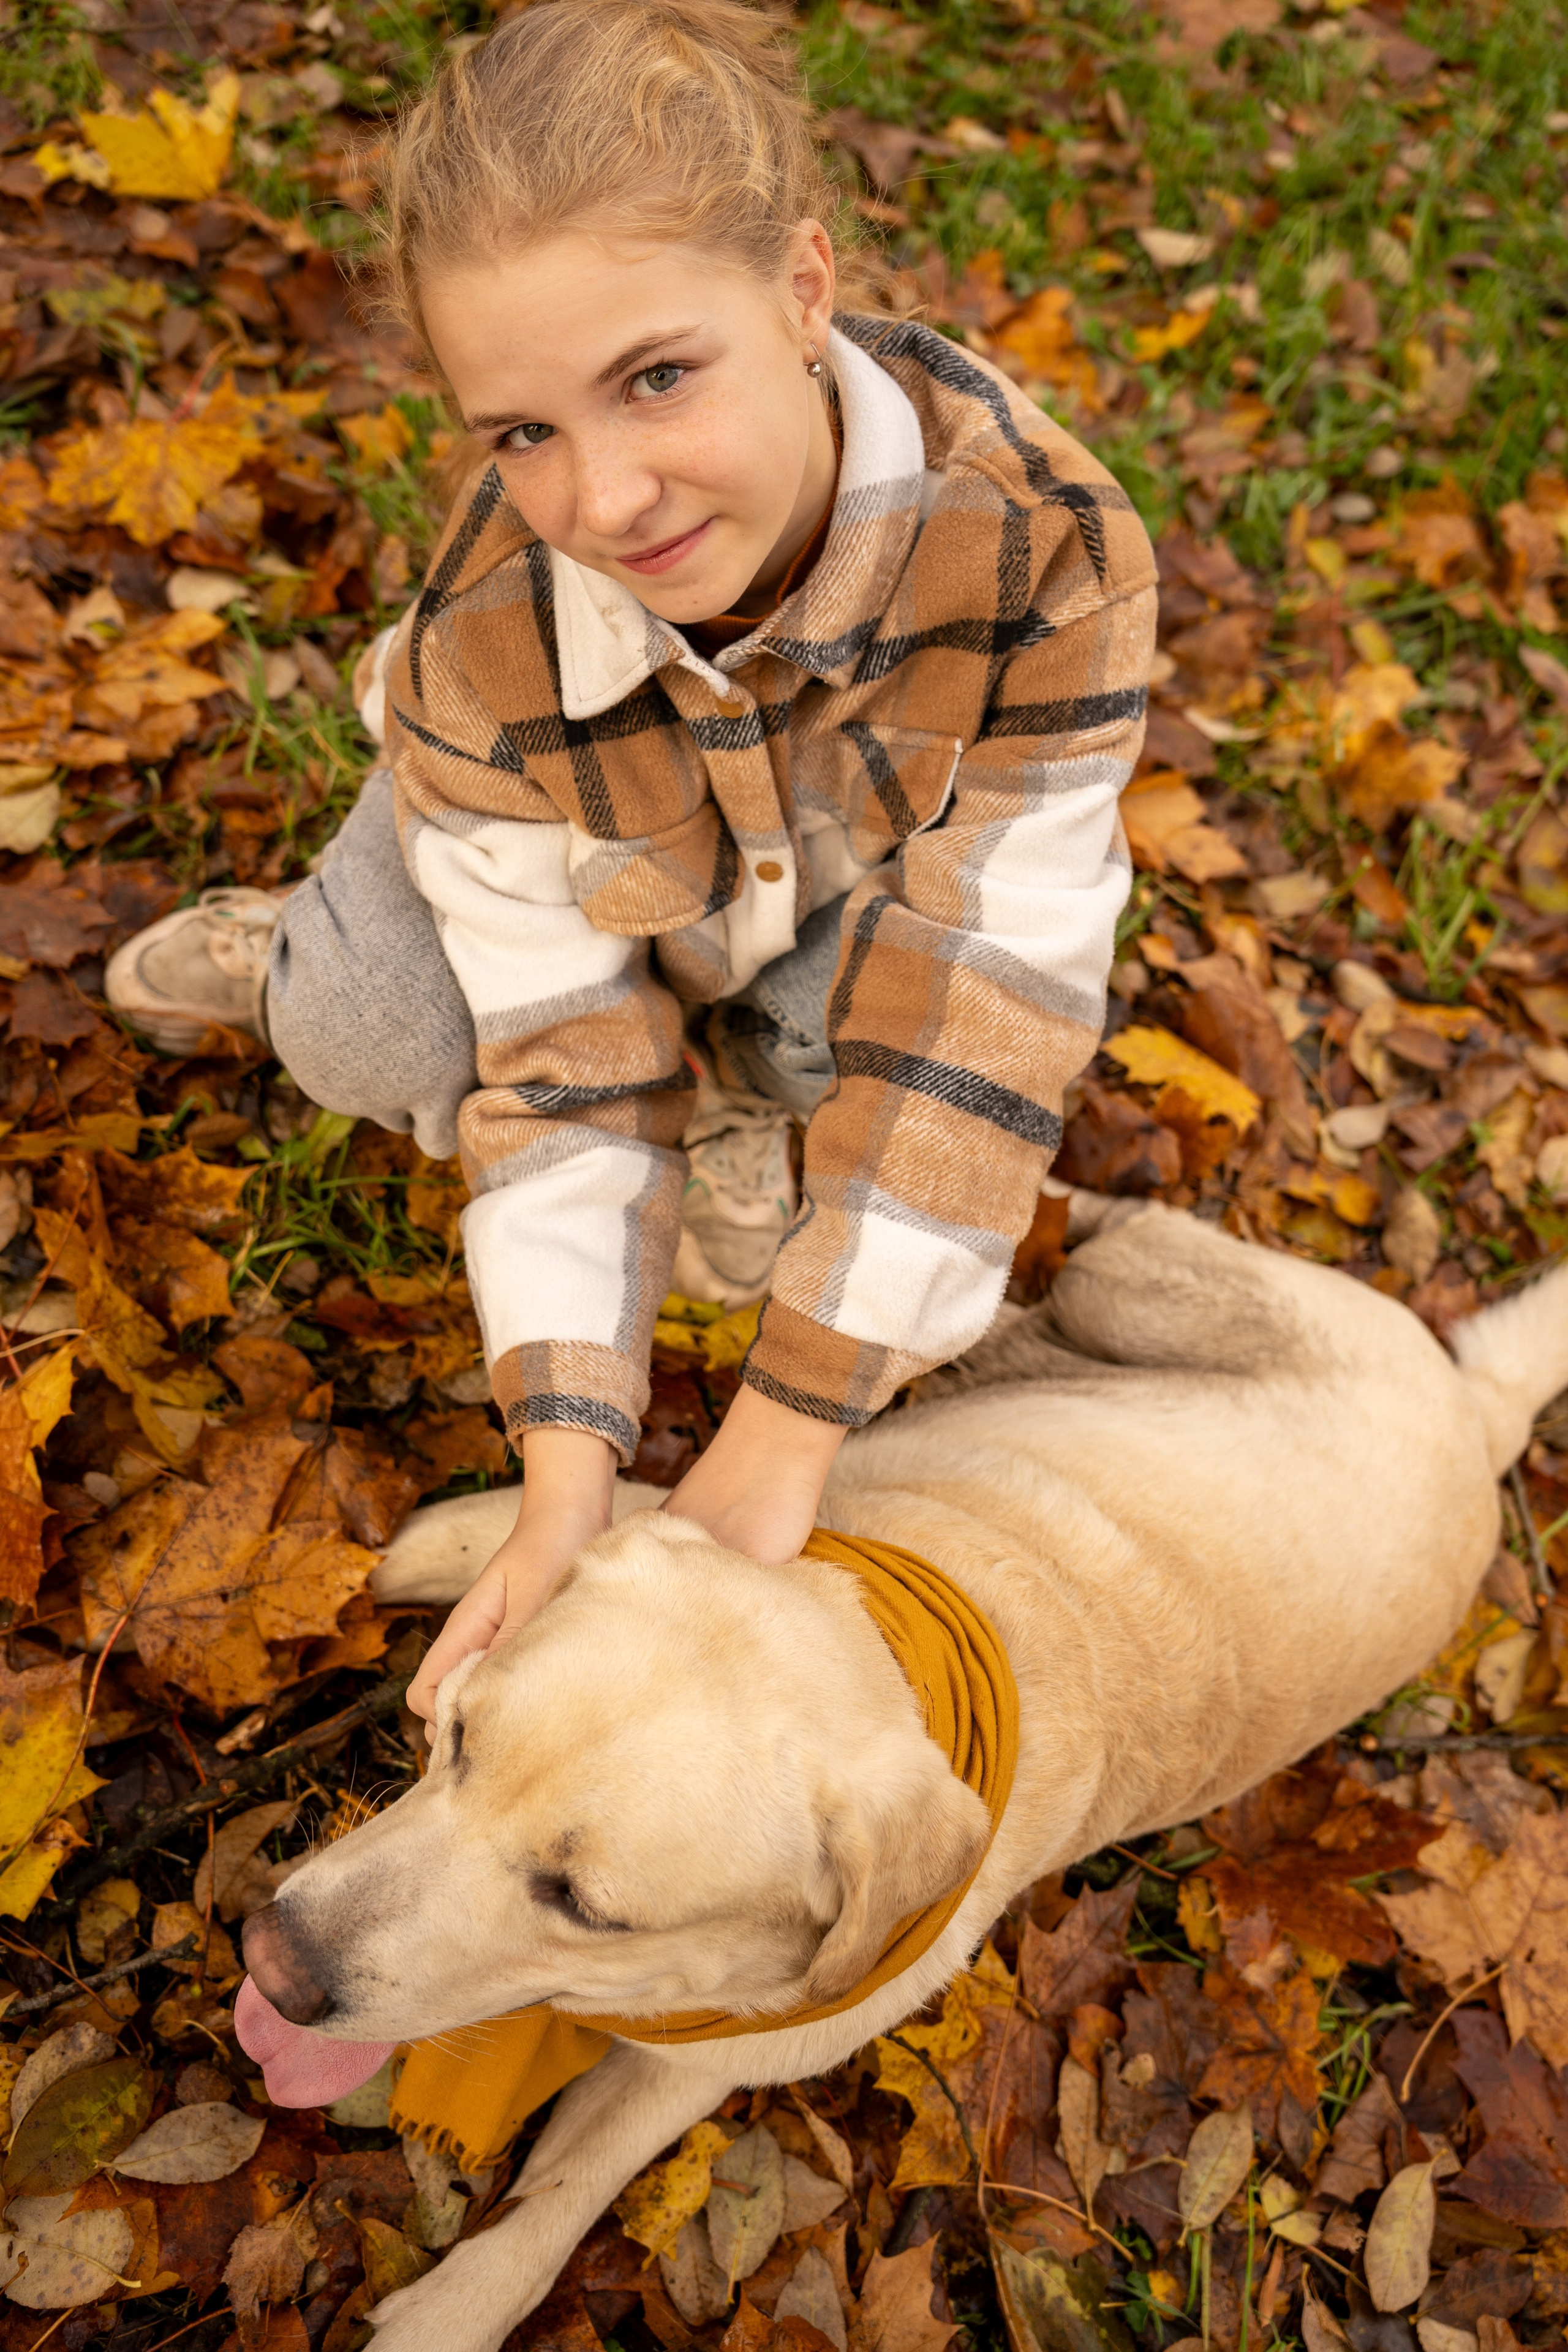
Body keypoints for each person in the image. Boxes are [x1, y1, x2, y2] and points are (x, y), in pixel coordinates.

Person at [106, 0, 1156, 1728]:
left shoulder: (1047, 555)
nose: (603, 500)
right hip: (571, 822)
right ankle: (318, 932)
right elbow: (562, 1068)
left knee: (859, 1069)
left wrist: (787, 1428)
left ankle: (739, 1082)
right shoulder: (490, 628)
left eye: (657, 377)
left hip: (836, 863)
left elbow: (990, 999)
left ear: (804, 290)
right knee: (362, 1032)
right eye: (519, 432)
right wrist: (569, 1464)